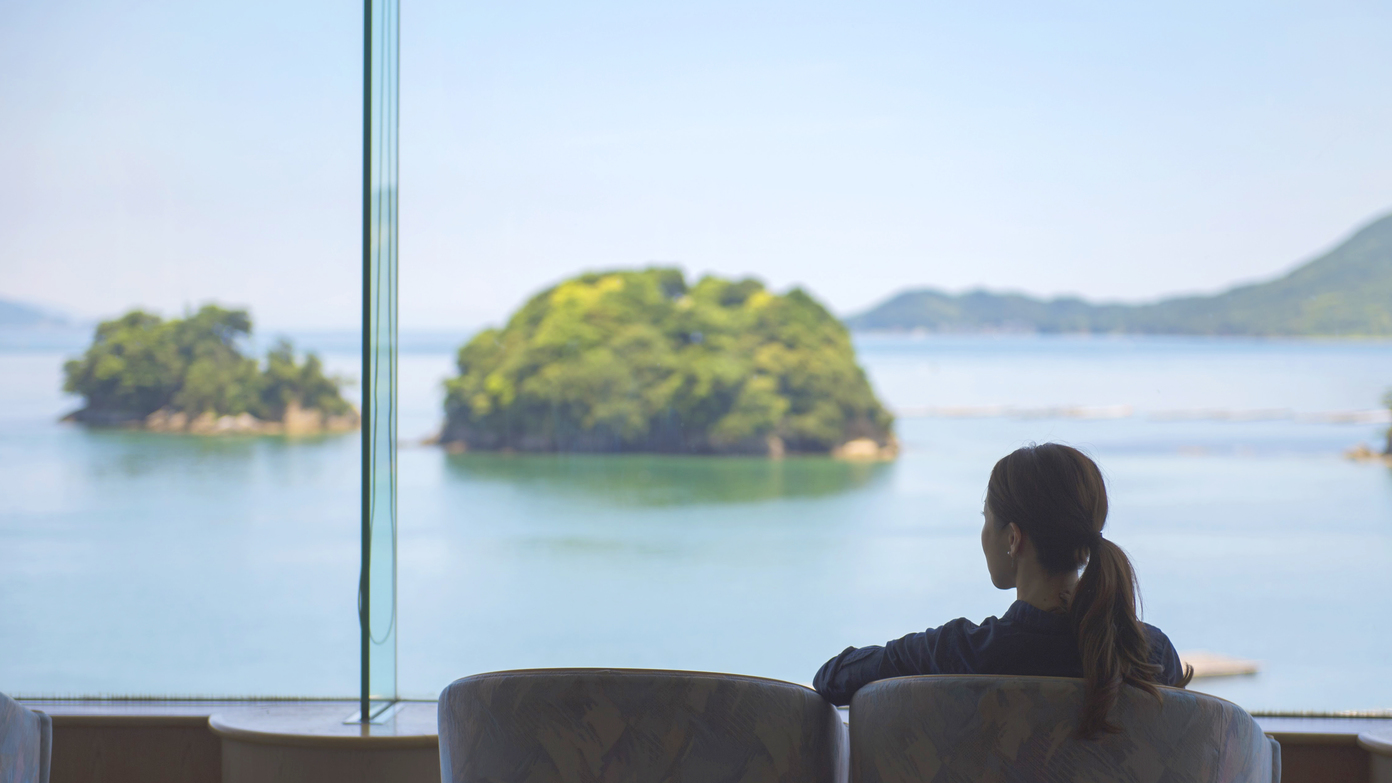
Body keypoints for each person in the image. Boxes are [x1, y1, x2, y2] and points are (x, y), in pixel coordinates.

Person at [813, 442, 1193, 738]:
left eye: (986, 518)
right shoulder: (1150, 653)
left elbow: (832, 677)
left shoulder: (958, 653)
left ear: (1013, 538)